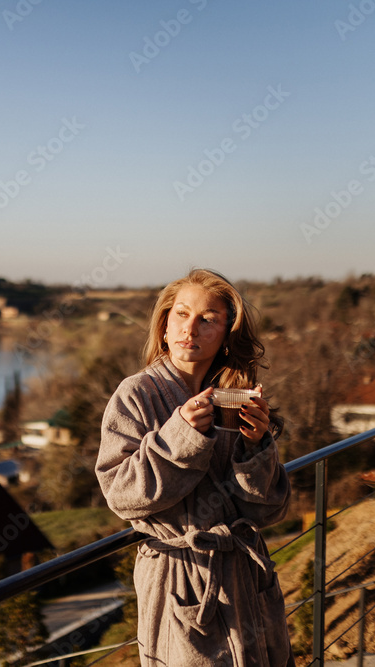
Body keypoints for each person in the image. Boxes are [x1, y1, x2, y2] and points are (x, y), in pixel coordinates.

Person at [95, 268, 293, 666]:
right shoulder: (136, 394)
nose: (191, 328)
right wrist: (180, 437)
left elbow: (268, 511)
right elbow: (121, 495)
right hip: (180, 578)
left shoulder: (234, 397)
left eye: (208, 319)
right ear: (164, 326)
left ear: (226, 335)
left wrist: (256, 447)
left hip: (245, 578)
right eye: (182, 314)